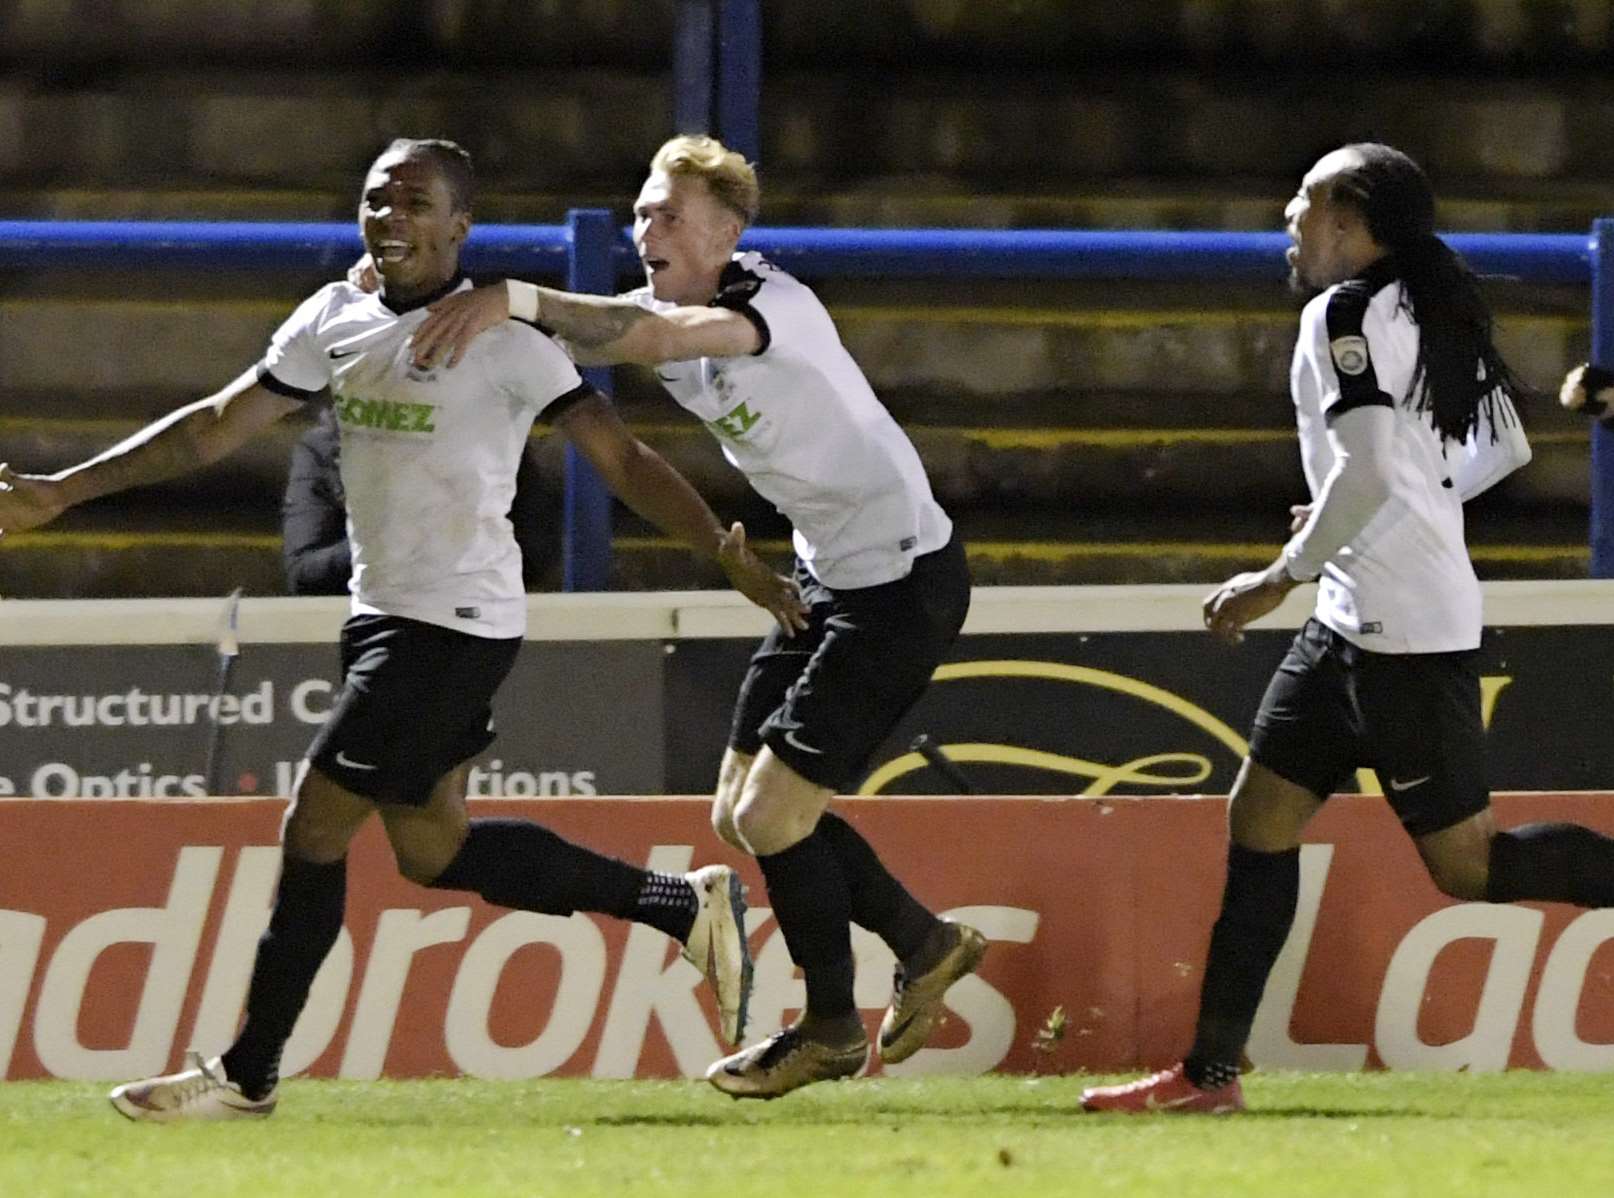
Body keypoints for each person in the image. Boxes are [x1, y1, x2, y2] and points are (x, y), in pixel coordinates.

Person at [0, 137, 807, 1121]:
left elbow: (623, 458)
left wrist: (727, 554)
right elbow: (215, 423)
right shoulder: (331, 317)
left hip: (456, 624)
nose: (389, 218)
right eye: (376, 201)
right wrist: (65, 491)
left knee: (314, 826)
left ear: (460, 227)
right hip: (383, 615)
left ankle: (248, 1072)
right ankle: (683, 903)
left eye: (415, 203)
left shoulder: (506, 339)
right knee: (433, 849)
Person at [407, 134, 988, 1100]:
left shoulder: (766, 308)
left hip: (900, 586)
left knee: (772, 815)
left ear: (726, 235)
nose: (645, 229)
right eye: (640, 212)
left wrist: (506, 296)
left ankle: (832, 1028)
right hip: (826, 580)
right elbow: (611, 329)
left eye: (668, 215)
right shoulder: (665, 306)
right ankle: (924, 943)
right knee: (738, 814)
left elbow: (652, 341)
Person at [1080, 143, 1614, 1115]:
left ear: (1353, 223)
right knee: (1260, 817)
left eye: (1308, 201)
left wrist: (1276, 575)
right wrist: (1387, 511)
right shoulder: (1432, 298)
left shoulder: (1341, 314)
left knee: (1468, 867)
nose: (1290, 217)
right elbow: (1492, 448)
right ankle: (1208, 1076)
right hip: (1354, 620)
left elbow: (1373, 469)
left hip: (1402, 634)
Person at [281, 404, 559, 595]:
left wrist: (462, 526)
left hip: (470, 617)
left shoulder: (491, 436)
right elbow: (305, 575)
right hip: (370, 616)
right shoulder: (327, 445)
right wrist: (388, 535)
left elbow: (536, 557)